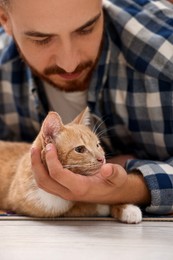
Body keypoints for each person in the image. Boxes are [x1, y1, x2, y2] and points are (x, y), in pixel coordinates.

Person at [0, 0, 173, 215]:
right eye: (41, 39)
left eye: (86, 29)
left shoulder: (167, 55)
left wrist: (133, 188)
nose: (69, 63)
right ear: (4, 20)